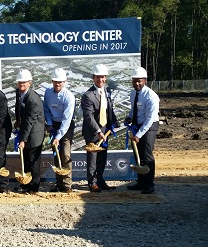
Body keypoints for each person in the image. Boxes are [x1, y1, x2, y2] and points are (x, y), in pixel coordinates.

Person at [81, 64, 119, 192]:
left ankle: (100, 180)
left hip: (105, 130)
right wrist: (98, 131)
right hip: (93, 131)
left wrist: (114, 122)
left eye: (102, 77)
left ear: (105, 78)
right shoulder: (88, 95)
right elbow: (88, 117)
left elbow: (109, 109)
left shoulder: (107, 91)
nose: (100, 80)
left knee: (102, 157)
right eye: (98, 77)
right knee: (92, 158)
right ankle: (92, 183)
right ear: (93, 78)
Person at [125, 67, 160, 194]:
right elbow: (134, 109)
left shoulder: (151, 96)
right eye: (134, 81)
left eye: (139, 81)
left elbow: (150, 119)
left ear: (145, 80)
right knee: (138, 155)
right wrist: (130, 117)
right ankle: (140, 182)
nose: (137, 83)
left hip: (149, 126)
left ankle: (149, 184)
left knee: (146, 155)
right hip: (137, 125)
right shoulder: (133, 93)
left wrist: (139, 135)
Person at [43, 68, 76, 193]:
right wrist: (50, 125)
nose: (58, 84)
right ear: (52, 81)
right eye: (56, 81)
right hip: (54, 125)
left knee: (65, 154)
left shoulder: (69, 97)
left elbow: (67, 120)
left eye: (60, 82)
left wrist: (58, 137)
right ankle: (59, 183)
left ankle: (67, 185)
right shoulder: (48, 93)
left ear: (65, 81)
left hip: (66, 127)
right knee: (56, 154)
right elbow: (46, 109)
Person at [14, 69, 45, 193]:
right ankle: (25, 184)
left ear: (29, 83)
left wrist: (23, 139)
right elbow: (18, 108)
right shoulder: (19, 92)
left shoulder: (33, 100)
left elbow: (29, 122)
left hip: (34, 133)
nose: (21, 84)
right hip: (25, 130)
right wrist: (17, 121)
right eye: (20, 82)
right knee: (26, 159)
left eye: (24, 82)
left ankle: (34, 186)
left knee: (33, 161)